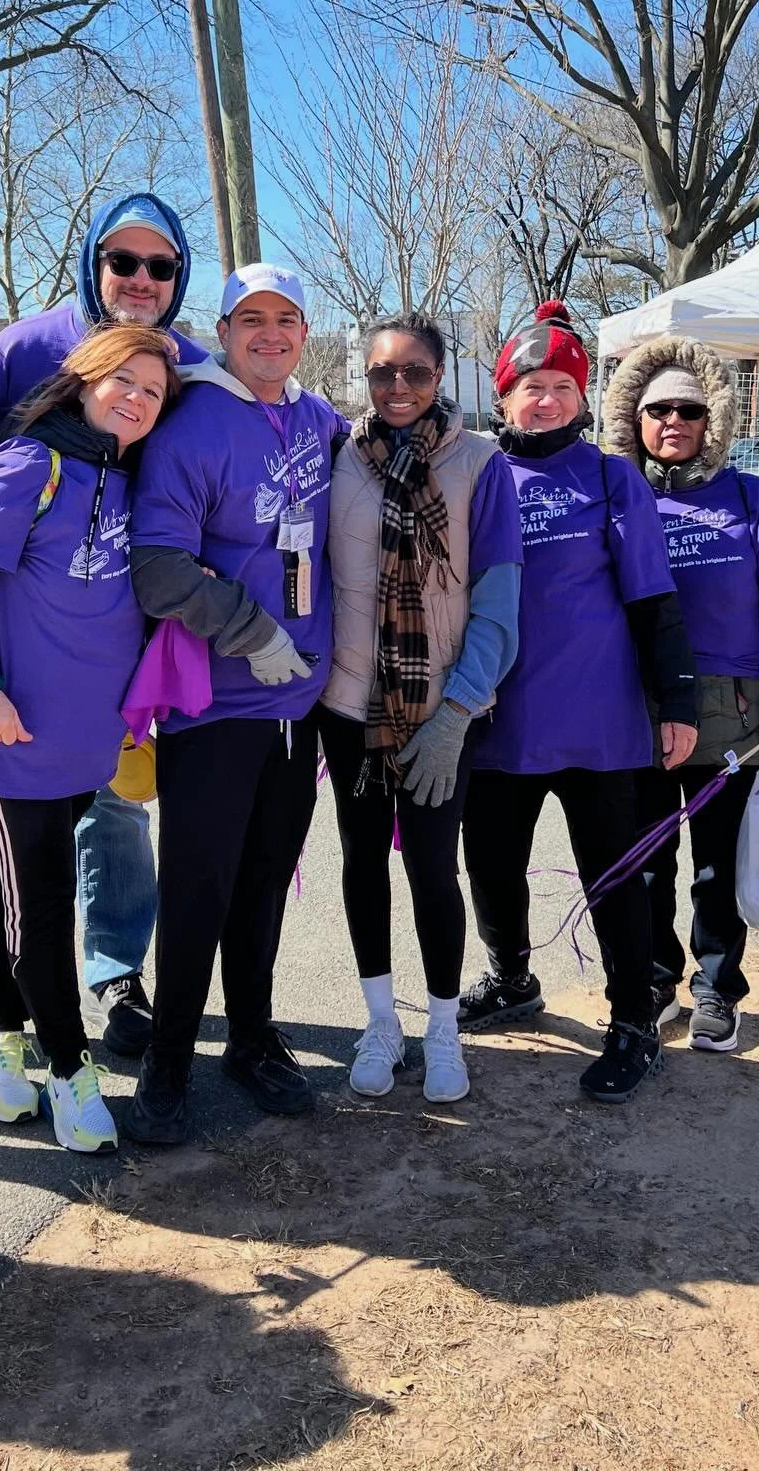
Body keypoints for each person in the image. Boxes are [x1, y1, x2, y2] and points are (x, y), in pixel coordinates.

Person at [0, 193, 208, 1078]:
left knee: (115, 809)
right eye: (124, 261)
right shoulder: (22, 351)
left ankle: (114, 977)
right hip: (8, 637)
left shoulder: (189, 364)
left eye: (161, 267)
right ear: (93, 264)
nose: (142, 280)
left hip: (114, 644)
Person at [125, 263, 345, 1145]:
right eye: (250, 318)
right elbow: (158, 566)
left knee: (264, 884)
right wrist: (253, 633)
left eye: (286, 319)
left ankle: (252, 1040)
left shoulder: (319, 418)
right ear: (221, 330)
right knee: (198, 888)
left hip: (299, 710)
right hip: (217, 705)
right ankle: (168, 1059)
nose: (270, 334)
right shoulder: (191, 423)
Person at [458, 301, 699, 1104]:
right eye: (532, 384)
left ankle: (632, 1017)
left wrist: (677, 701)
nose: (548, 398)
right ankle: (511, 978)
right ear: (504, 397)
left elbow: (654, 598)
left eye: (563, 383)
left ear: (584, 394)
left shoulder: (610, 476)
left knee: (614, 877)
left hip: (601, 726)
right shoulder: (479, 472)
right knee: (491, 866)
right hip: (499, 721)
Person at [318, 314, 522, 1105]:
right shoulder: (340, 459)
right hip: (348, 708)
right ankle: (380, 1022)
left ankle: (441, 1025)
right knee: (361, 861)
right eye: (381, 372)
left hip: (442, 709)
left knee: (434, 868)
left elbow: (499, 601)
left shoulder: (481, 465)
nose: (397, 387)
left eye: (415, 373)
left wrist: (460, 709)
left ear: (442, 379)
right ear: (363, 379)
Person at [603, 335, 759, 1052]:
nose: (673, 422)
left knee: (716, 868)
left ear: (713, 420)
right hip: (630, 718)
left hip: (731, 722)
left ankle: (716, 990)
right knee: (642, 864)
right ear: (633, 418)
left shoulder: (752, 502)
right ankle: (655, 977)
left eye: (689, 410)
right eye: (657, 409)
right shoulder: (615, 498)